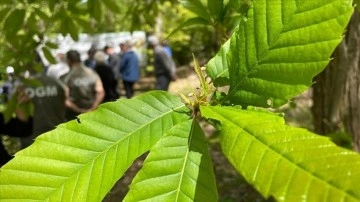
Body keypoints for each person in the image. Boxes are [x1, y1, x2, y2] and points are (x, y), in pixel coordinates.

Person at [20, 71, 68, 148]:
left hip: (31, 140)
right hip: (56, 134)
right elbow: (66, 101)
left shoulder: (22, 86)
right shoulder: (55, 82)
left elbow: (20, 114)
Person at [61, 50, 105, 120]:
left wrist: (79, 111)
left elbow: (65, 99)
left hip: (74, 114)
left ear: (68, 60)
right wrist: (93, 108)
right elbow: (100, 91)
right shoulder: (92, 73)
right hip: (92, 110)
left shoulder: (65, 78)